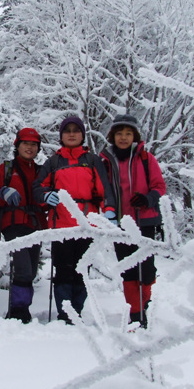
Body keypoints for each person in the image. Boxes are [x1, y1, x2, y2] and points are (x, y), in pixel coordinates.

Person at [33, 115, 116, 324]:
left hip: (86, 224)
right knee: (62, 270)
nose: (71, 134)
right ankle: (64, 313)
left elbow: (105, 189)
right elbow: (37, 188)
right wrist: (45, 196)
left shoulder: (93, 160)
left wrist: (109, 211)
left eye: (75, 130)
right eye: (67, 130)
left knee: (81, 270)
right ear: (61, 135)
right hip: (60, 223)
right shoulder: (52, 162)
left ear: (82, 135)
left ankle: (76, 311)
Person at [99, 114, 167, 328]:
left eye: (128, 134)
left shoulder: (146, 159)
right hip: (120, 223)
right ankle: (136, 313)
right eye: (119, 133)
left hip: (145, 221)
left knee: (146, 270)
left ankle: (144, 303)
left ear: (135, 137)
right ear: (113, 136)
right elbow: (102, 190)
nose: (123, 137)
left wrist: (148, 199)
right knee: (128, 269)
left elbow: (159, 186)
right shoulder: (106, 161)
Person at [0, 127, 47, 322]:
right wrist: (2, 193)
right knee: (23, 268)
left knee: (31, 271)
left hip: (35, 225)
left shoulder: (41, 171)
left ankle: (21, 309)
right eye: (26, 143)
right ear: (17, 145)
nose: (30, 147)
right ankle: (18, 312)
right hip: (14, 223)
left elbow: (44, 198)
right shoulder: (7, 168)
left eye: (34, 144)